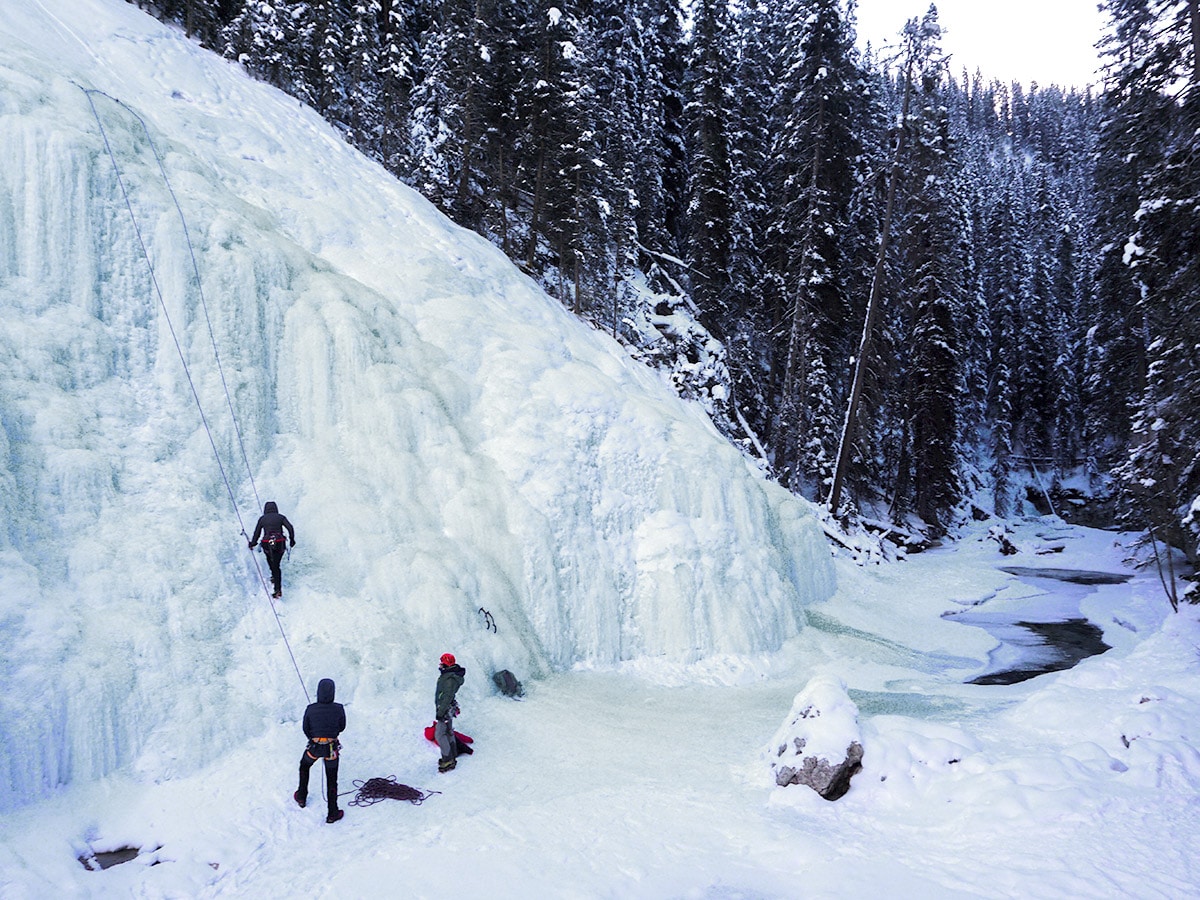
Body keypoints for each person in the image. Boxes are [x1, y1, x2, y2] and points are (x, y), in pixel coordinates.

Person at [295, 677, 346, 823]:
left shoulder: (310, 708)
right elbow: (342, 727)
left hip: (315, 748)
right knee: (332, 780)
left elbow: (306, 728)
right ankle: (332, 813)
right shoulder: (339, 708)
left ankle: (301, 797)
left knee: (304, 766)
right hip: (331, 749)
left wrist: (314, 737)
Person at [249, 500, 295, 599]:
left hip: (268, 543)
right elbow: (290, 528)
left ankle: (277, 586)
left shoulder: (262, 519)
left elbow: (257, 532)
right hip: (279, 542)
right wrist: (292, 540)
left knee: (272, 561)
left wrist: (253, 543)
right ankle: (276, 583)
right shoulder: (281, 517)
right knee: (276, 564)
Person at [434, 652, 466, 773]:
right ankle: (453, 754)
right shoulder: (451, 675)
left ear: (446, 665)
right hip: (450, 707)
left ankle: (447, 759)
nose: (440, 665)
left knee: (440, 734)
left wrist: (441, 711)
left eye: (442, 663)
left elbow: (447, 696)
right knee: (448, 731)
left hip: (445, 708)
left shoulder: (449, 679)